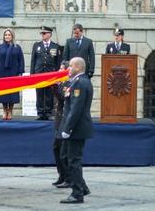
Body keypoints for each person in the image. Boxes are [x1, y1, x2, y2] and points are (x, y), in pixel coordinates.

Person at [57, 57, 93, 204]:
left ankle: (77, 193)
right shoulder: (78, 81)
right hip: (76, 128)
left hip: (76, 129)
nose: (68, 69)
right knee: (66, 156)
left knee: (73, 161)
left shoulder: (79, 83)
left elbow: (76, 109)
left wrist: (68, 128)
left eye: (70, 66)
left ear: (77, 67)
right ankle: (82, 187)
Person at [0, 28, 25, 120]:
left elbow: (21, 60)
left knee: (12, 92)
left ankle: (10, 110)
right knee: (3, 92)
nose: (7, 36)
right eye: (6, 35)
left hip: (13, 72)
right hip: (2, 72)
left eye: (9, 35)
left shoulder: (17, 47)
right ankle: (4, 110)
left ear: (12, 36)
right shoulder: (0, 47)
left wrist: (20, 72)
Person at [31, 26, 61, 120]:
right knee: (39, 92)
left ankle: (48, 112)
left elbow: (58, 62)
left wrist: (57, 75)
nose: (42, 35)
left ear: (49, 34)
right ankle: (40, 112)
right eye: (42, 33)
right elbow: (33, 61)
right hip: (39, 73)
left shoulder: (55, 46)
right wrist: (32, 74)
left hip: (50, 74)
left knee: (49, 93)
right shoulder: (37, 45)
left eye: (44, 33)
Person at [52, 61, 70, 188]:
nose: (59, 70)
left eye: (62, 68)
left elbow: (63, 98)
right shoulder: (60, 82)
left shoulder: (69, 83)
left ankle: (68, 177)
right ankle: (61, 175)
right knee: (56, 148)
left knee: (64, 151)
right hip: (59, 119)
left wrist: (55, 85)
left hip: (65, 119)